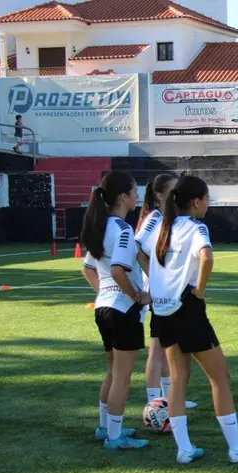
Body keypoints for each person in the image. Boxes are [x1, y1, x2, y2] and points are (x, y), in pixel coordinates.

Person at [147, 174, 238, 465]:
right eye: (207, 199)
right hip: (186, 310)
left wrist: (161, 284)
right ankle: (236, 447)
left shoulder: (160, 227)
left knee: (177, 380)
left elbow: (141, 254)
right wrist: (198, 292)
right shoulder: (194, 227)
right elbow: (207, 257)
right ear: (196, 201)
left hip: (162, 311)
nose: (208, 204)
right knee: (220, 378)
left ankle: (184, 449)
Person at [80, 170, 150, 450]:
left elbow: (88, 269)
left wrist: (105, 293)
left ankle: (106, 427)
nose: (138, 196)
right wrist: (137, 296)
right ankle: (114, 437)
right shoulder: (121, 229)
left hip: (104, 309)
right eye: (134, 191)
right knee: (122, 375)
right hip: (121, 310)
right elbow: (119, 270)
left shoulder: (101, 226)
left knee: (112, 371)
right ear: (123, 197)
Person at [134, 172, 197, 410]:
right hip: (156, 292)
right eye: (172, 190)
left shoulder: (171, 218)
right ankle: (154, 403)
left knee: (169, 345)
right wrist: (155, 276)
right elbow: (136, 245)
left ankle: (169, 398)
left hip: (167, 291)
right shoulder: (155, 217)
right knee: (157, 347)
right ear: (159, 195)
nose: (177, 194)